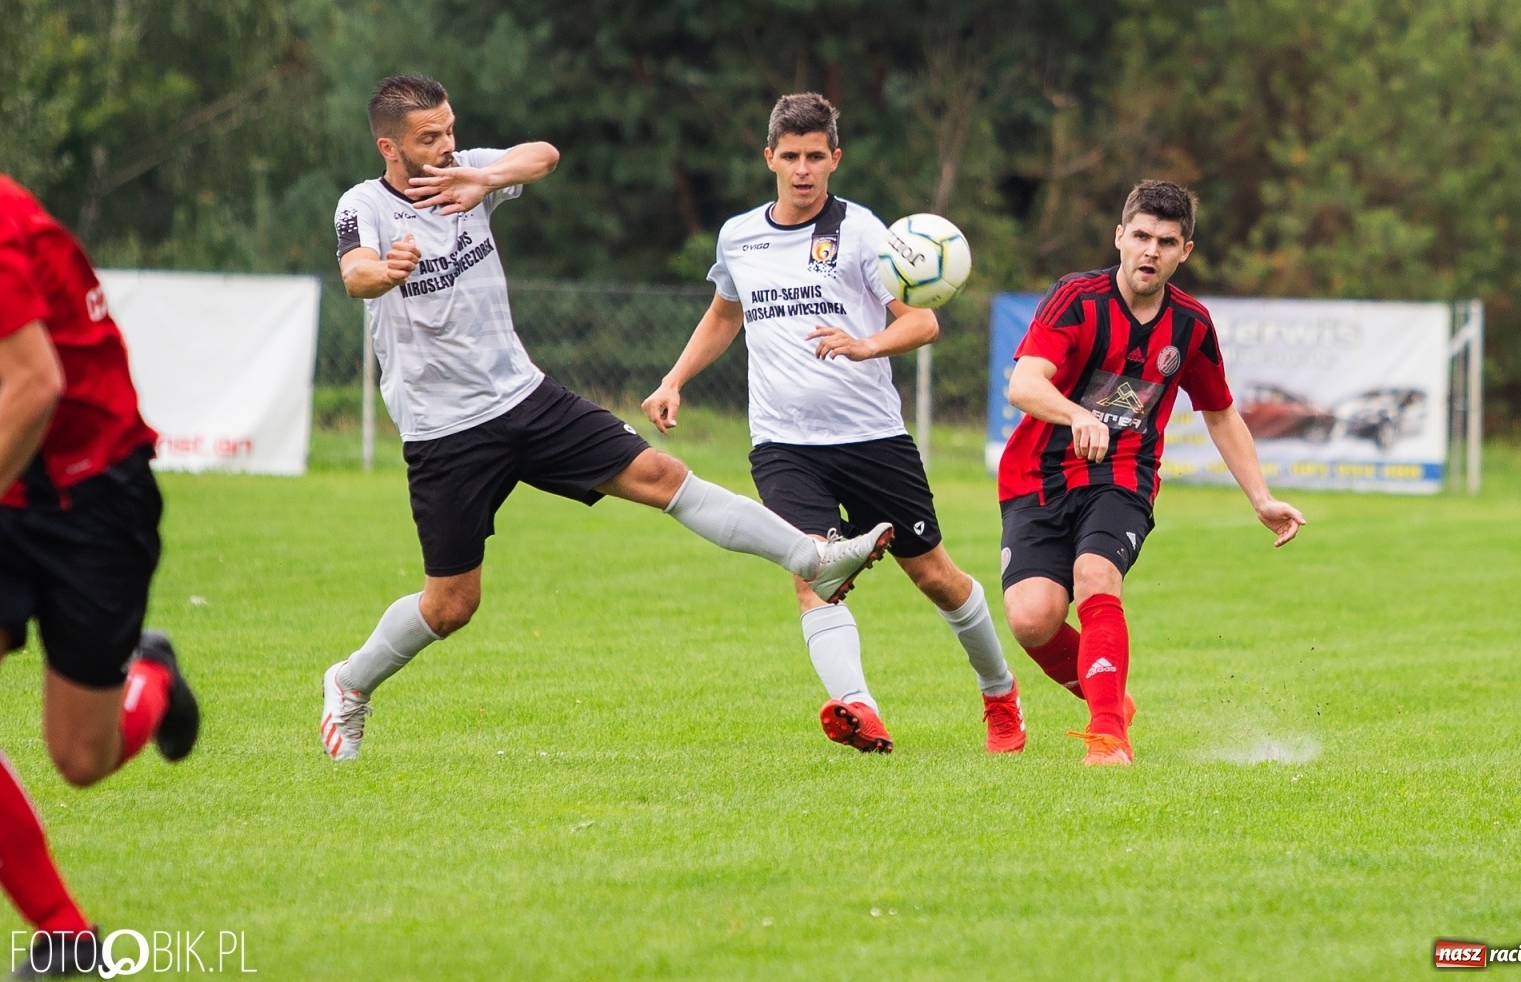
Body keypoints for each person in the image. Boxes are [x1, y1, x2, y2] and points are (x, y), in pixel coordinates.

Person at [320, 75, 892, 761]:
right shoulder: (364, 205)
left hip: (524, 397)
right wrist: (389, 271)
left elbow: (544, 155)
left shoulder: (467, 171)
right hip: (445, 430)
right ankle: (350, 683)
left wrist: (483, 178)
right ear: (389, 146)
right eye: (427, 138)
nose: (446, 146)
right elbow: (355, 273)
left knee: (662, 475)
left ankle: (813, 558)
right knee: (450, 605)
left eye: (449, 129)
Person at [642, 93, 1025, 755]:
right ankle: (859, 709)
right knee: (812, 572)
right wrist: (674, 379)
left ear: (835, 159)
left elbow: (923, 321)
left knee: (936, 577)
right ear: (769, 157)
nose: (802, 169)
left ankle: (1000, 694)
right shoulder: (739, 237)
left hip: (871, 438)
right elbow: (725, 315)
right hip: (783, 444)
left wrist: (867, 345)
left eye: (815, 156)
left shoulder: (866, 233)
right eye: (790, 156)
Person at [999, 180, 1306, 765]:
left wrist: (1261, 498)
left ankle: (1108, 735)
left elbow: (1221, 412)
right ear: (1119, 237)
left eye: (1166, 242)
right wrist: (1076, 414)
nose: (1150, 251)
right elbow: (1024, 383)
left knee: (1095, 574)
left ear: (1184, 251)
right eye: (1141, 236)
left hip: (1123, 476)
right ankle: (1111, 694)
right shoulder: (1076, 299)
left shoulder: (1191, 324)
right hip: (1037, 476)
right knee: (1033, 620)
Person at [0, 175, 200, 978]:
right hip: (15, 487)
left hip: (92, 494)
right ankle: (67, 937)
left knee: (82, 758)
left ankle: (154, 676)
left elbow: (35, 385)